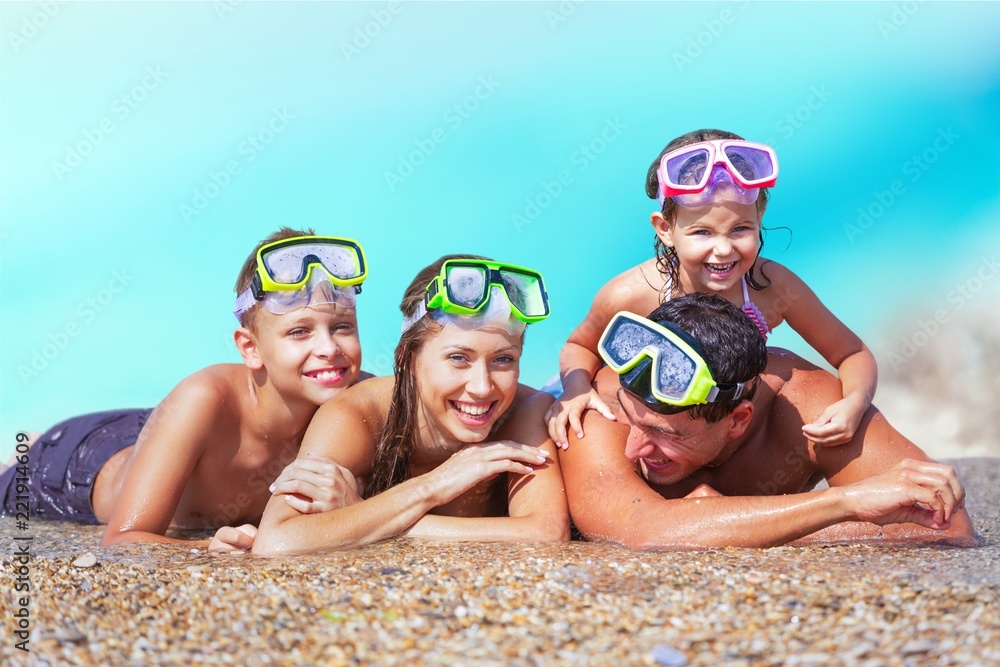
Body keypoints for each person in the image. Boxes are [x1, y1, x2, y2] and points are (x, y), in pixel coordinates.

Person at [1, 228, 371, 550]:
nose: (329, 348)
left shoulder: (364, 400)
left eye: (342, 326)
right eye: (299, 331)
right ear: (250, 348)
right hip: (79, 466)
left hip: (166, 430)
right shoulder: (205, 397)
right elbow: (124, 539)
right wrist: (206, 546)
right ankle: (28, 453)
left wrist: (354, 505)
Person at [558, 292, 977, 549]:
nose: (632, 449)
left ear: (738, 419)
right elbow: (639, 528)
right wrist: (844, 504)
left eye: (663, 434)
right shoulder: (599, 406)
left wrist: (725, 522)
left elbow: (947, 525)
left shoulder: (812, 408)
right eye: (634, 421)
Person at [546, 129, 877, 450]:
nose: (723, 249)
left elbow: (851, 353)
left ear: (759, 217)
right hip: (639, 420)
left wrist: (854, 403)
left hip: (704, 426)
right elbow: (580, 346)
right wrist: (575, 391)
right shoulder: (632, 293)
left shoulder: (771, 288)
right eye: (702, 232)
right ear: (665, 229)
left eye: (740, 229)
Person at [251, 255, 570, 556]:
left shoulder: (527, 409)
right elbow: (278, 540)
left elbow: (546, 532)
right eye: (458, 358)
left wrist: (363, 513)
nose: (482, 386)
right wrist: (435, 485)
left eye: (504, 359)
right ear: (407, 359)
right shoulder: (357, 414)